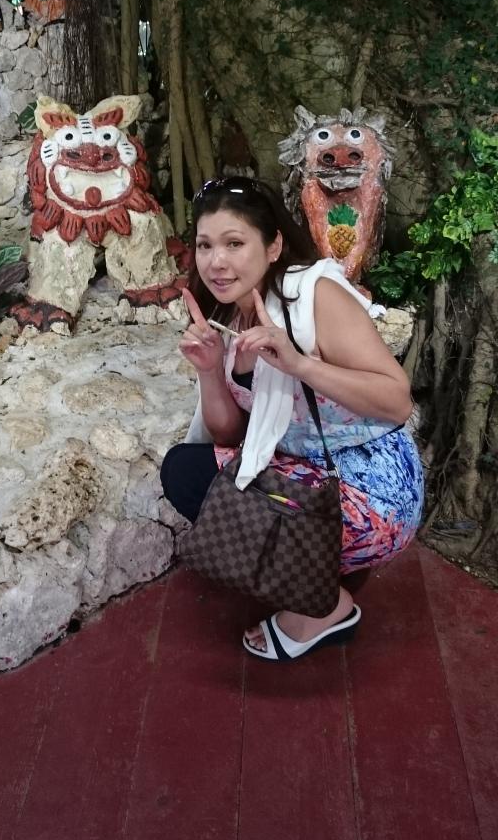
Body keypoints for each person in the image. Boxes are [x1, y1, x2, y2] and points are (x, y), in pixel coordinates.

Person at [161, 176, 423, 662]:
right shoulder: (228, 314)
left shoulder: (314, 295)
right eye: (205, 245)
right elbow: (230, 434)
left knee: (204, 484)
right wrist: (209, 370)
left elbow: (397, 400)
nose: (216, 262)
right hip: (308, 470)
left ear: (274, 245)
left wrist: (300, 364)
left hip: (371, 486)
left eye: (234, 243)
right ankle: (314, 564)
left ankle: (327, 608)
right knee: (186, 470)